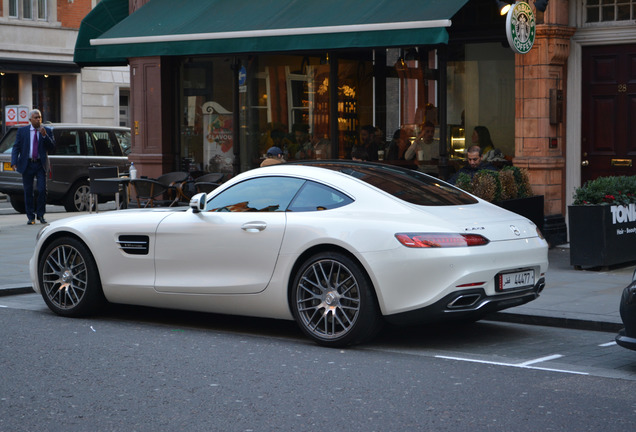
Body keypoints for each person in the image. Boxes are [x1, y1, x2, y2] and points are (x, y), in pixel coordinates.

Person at [11, 109, 55, 225]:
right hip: (28, 164)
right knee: (28, 191)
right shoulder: (22, 131)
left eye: (39, 117)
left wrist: (45, 136)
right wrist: (14, 161)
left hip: (41, 164)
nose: (38, 119)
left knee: (42, 190)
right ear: (30, 119)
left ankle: (40, 214)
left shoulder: (47, 131)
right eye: (36, 117)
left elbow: (52, 147)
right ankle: (30, 217)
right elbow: (16, 147)